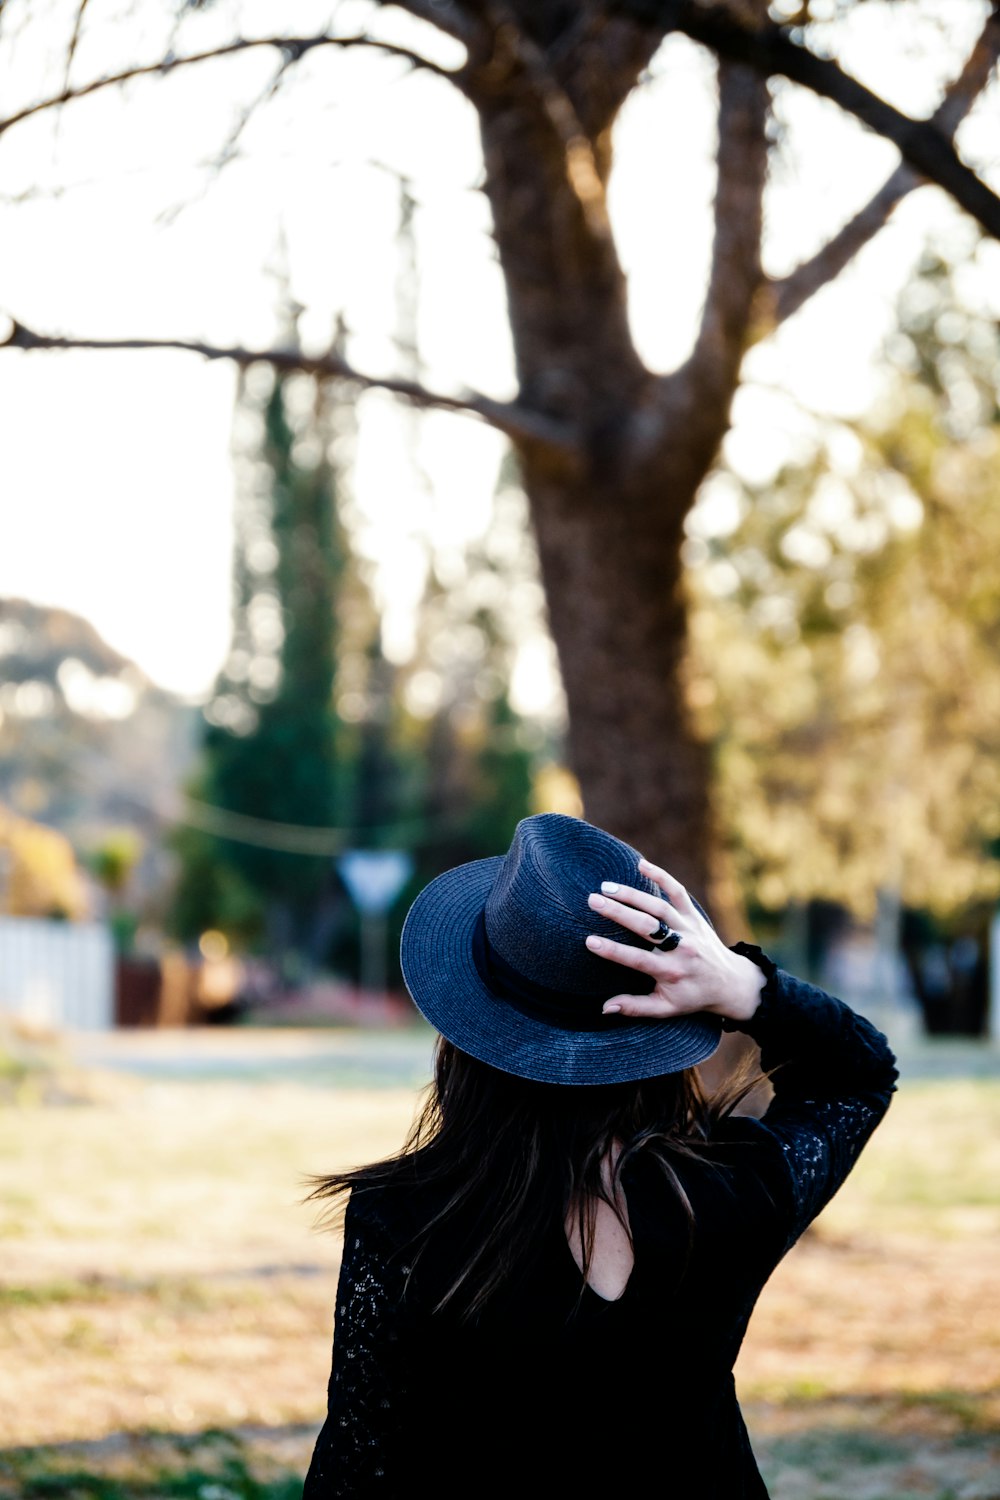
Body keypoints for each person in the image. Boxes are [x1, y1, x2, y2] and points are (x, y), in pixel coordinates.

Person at [303, 813, 897, 1498]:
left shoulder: (405, 1219)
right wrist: (745, 986)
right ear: (658, 1022)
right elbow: (858, 1075)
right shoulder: (737, 1188)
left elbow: (357, 1468)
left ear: (467, 1034)